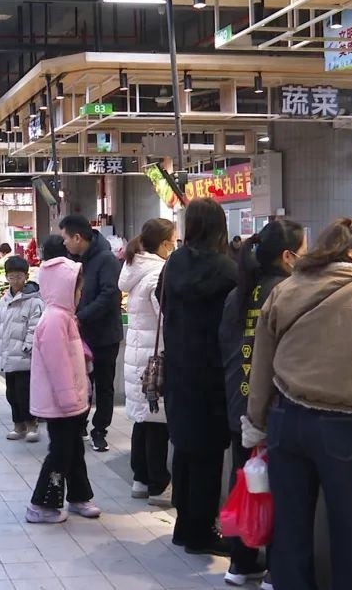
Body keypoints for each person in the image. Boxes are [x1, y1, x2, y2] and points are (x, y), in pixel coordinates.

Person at [242, 219, 352, 590]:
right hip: (345, 428)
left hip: (284, 423)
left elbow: (262, 364)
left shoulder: (289, 287)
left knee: (290, 533)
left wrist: (256, 421)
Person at [218, 219, 305, 588]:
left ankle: (241, 562)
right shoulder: (290, 291)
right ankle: (276, 569)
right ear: (288, 256)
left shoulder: (240, 292)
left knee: (248, 483)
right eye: (304, 251)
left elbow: (225, 345)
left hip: (238, 403)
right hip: (275, 408)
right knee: (282, 491)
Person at [159, 198, 237, 556]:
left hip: (178, 369)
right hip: (213, 372)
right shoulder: (227, 269)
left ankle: (183, 525)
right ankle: (201, 531)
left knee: (186, 450)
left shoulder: (174, 262)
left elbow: (160, 298)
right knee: (208, 455)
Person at [26, 235, 100, 524]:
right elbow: (58, 364)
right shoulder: (56, 318)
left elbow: (71, 349)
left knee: (73, 448)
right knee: (60, 452)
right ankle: (40, 504)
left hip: (68, 401)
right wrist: (71, 399)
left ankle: (79, 496)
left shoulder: (62, 316)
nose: (80, 293)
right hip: (61, 402)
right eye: (77, 287)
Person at [118, 218, 176, 507]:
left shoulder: (135, 268)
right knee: (156, 423)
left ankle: (140, 479)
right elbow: (165, 317)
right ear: (164, 243)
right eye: (173, 241)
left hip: (138, 356)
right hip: (157, 358)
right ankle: (158, 485)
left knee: (143, 420)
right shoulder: (156, 274)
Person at [59, 215, 123, 452]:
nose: (64, 243)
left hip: (104, 335)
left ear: (77, 237)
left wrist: (81, 316)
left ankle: (100, 430)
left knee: (104, 385)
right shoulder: (77, 259)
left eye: (66, 238)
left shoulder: (105, 259)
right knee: (82, 382)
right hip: (82, 334)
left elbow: (109, 295)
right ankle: (80, 425)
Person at [0, 256, 44, 441]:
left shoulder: (34, 301)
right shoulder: (3, 300)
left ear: (26, 276)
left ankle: (31, 424)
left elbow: (35, 326)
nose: (15, 281)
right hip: (7, 355)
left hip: (24, 357)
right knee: (11, 394)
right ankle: (18, 425)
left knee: (25, 393)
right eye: (11, 277)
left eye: (19, 276)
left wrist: (28, 346)